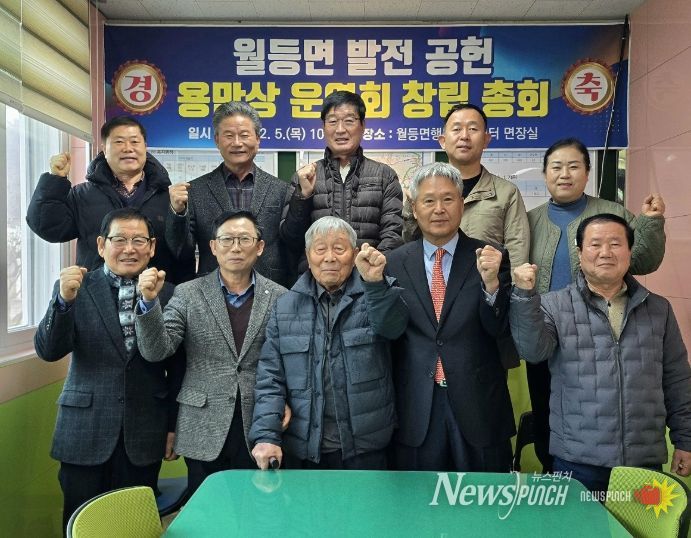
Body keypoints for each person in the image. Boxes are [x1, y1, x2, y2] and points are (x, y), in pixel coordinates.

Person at [510, 214, 690, 493]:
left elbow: (677, 379)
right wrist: (524, 296)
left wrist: (685, 439)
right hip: (576, 461)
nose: (605, 252)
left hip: (643, 462)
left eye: (615, 244)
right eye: (595, 244)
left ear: (630, 251)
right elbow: (532, 351)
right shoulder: (553, 305)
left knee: (640, 524)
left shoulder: (658, 309)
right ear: (580, 253)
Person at [34, 208, 183, 530]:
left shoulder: (170, 294)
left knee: (134, 526)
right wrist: (63, 303)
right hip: (83, 431)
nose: (129, 248)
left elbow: (177, 370)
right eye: (119, 240)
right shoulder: (76, 287)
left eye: (139, 240)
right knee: (81, 524)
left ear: (152, 247)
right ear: (102, 245)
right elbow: (49, 351)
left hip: (144, 432)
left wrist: (173, 426)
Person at [526, 137, 667, 472]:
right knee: (546, 410)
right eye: (556, 167)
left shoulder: (613, 214)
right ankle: (555, 475)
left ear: (587, 173)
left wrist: (650, 223)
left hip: (600, 334)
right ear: (545, 174)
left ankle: (607, 478)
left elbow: (644, 260)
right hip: (546, 332)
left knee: (598, 410)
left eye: (574, 166)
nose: (565, 174)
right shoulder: (529, 219)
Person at [136, 210, 288, 495]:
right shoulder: (187, 293)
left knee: (258, 508)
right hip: (202, 424)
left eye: (244, 239)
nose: (236, 247)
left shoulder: (281, 297)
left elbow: (287, 361)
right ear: (213, 247)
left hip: (259, 422)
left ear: (260, 247)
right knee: (205, 510)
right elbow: (157, 350)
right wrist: (148, 303)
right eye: (227, 239)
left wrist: (286, 401)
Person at [250, 216, 408, 470]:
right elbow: (270, 376)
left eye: (339, 248)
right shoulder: (285, 307)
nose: (329, 258)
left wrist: (375, 285)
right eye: (320, 249)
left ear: (354, 254)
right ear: (308, 255)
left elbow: (394, 329)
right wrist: (267, 435)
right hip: (304, 447)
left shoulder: (376, 291)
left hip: (366, 447)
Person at [386, 162, 515, 472]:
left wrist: (491, 284)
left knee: (481, 498)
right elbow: (389, 332)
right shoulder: (393, 262)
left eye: (448, 199)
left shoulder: (490, 256)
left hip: (478, 404)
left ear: (461, 203)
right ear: (414, 208)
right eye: (429, 201)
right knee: (419, 498)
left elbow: (499, 327)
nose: (439, 209)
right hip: (417, 406)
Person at [26, 116, 194, 284]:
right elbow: (49, 228)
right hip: (97, 293)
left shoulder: (171, 198)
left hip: (155, 291)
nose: (128, 148)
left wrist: (178, 214)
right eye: (119, 142)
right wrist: (55, 180)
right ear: (104, 149)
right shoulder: (82, 195)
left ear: (145, 147)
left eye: (135, 142)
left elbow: (184, 251)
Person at [166, 101, 290, 285]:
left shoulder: (281, 190)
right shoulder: (195, 191)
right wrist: (177, 213)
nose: (237, 143)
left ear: (258, 139)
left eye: (244, 135)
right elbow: (181, 250)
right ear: (217, 140)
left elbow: (291, 246)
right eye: (229, 135)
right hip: (212, 290)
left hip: (269, 289)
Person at [280, 90, 403, 272]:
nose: (340, 130)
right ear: (323, 127)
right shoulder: (305, 177)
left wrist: (370, 270)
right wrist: (303, 196)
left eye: (349, 121)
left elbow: (392, 235)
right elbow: (290, 239)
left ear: (362, 125)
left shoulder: (385, 175)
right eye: (332, 121)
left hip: (367, 279)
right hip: (317, 279)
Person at [403, 103, 530, 272]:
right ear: (443, 141)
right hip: (433, 283)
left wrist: (514, 286)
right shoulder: (420, 190)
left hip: (486, 286)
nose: (464, 136)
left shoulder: (506, 193)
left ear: (486, 140)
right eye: (456, 129)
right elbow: (407, 244)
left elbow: (517, 252)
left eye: (472, 129)